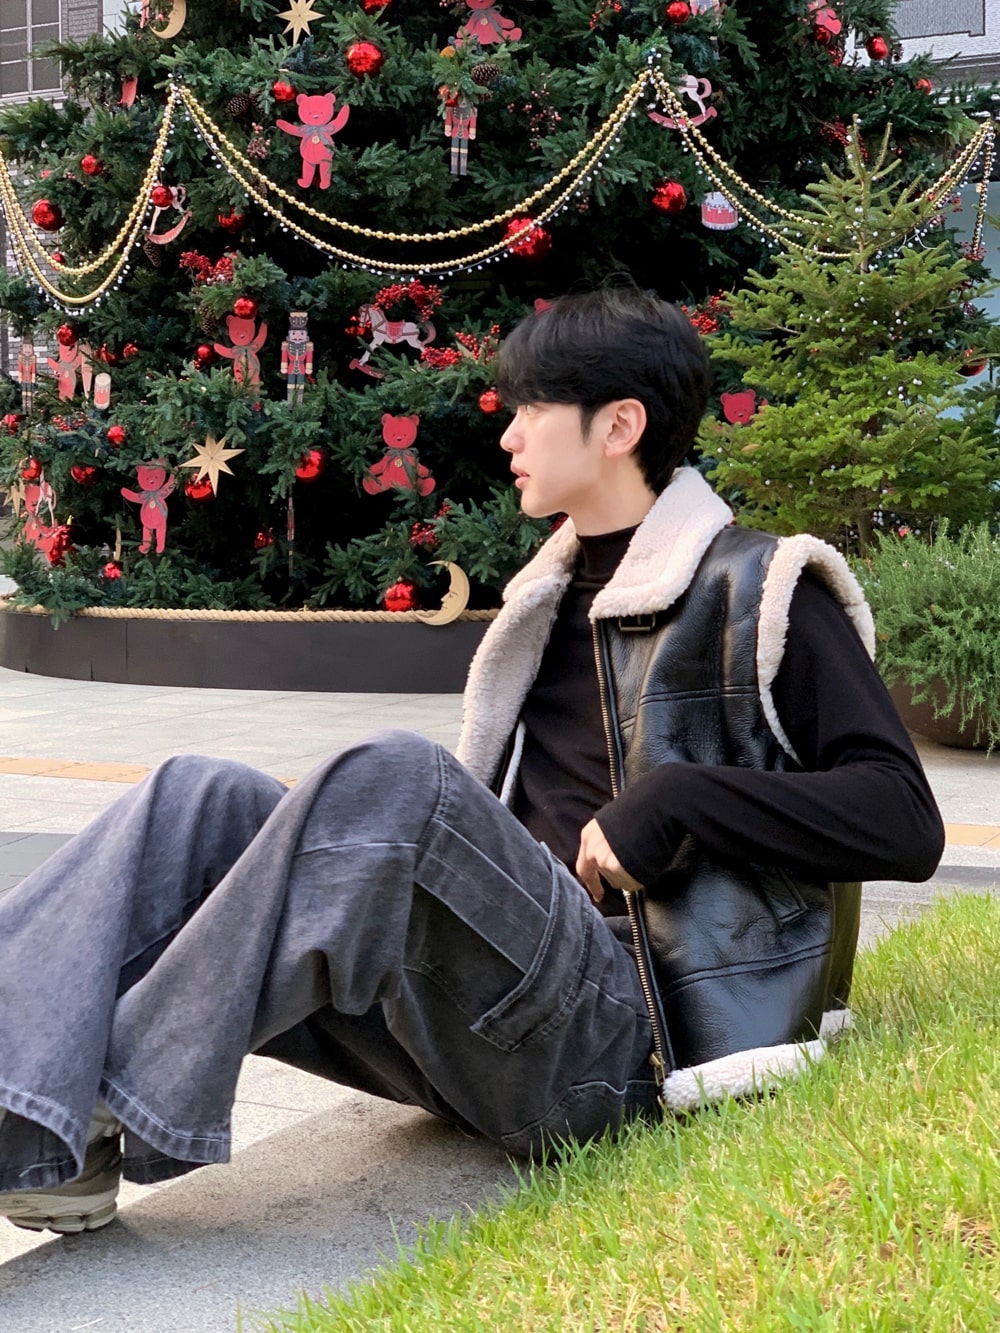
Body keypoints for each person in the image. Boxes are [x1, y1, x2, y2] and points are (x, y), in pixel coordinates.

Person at [0, 288, 943, 1235]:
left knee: (398, 779)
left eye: (532, 408)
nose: (509, 435)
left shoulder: (762, 588)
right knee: (200, 795)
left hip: (628, 1039)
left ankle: (97, 1108)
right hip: (479, 1017)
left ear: (619, 426)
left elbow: (903, 818)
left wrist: (678, 800)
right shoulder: (545, 600)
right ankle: (28, 1112)